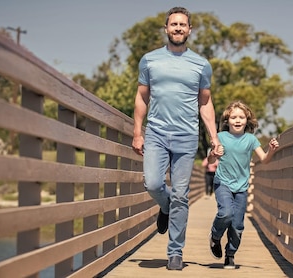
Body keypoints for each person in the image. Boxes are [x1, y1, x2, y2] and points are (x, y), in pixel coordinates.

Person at [131, 6, 222, 271]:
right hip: (157, 134)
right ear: (166, 28)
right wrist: (138, 132)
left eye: (183, 25)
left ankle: (175, 252)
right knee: (152, 183)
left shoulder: (201, 65)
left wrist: (214, 137)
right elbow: (141, 96)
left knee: (182, 195)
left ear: (190, 30)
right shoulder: (149, 60)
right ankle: (167, 207)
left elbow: (205, 103)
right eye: (174, 24)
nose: (178, 28)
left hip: (186, 136)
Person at [207, 101, 280, 269]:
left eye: (241, 117)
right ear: (227, 120)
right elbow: (211, 160)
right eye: (233, 117)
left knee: (237, 224)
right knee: (226, 213)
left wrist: (271, 150)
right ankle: (215, 236)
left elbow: (264, 160)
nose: (237, 120)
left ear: (247, 120)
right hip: (223, 182)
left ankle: (230, 255)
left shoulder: (251, 140)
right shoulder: (220, 137)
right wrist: (213, 153)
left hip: (241, 187)